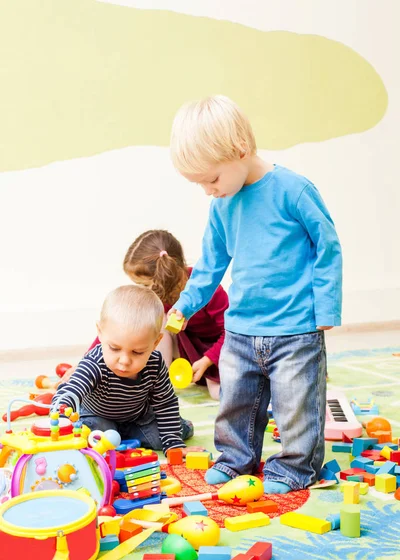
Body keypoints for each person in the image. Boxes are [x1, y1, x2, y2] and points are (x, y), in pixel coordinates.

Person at [168, 95, 343, 493]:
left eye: (211, 180)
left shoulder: (293, 191)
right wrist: (184, 306)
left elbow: (327, 246)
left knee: (296, 406)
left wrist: (327, 304)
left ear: (240, 151)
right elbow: (211, 264)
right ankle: (234, 460)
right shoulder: (222, 205)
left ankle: (295, 468)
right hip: (242, 328)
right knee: (236, 403)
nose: (208, 191)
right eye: (200, 184)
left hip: (295, 327)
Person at [52, 285, 203, 455]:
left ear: (155, 343)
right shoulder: (94, 363)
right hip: (97, 416)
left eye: (137, 352)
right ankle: (119, 436)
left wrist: (174, 444)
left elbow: (165, 403)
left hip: (137, 418)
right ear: (100, 333)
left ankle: (175, 429)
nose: (124, 361)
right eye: (115, 348)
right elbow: (72, 391)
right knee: (97, 435)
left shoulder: (155, 363)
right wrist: (61, 417)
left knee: (165, 437)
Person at [122, 230, 228, 400]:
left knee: (218, 394)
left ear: (162, 278)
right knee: (158, 317)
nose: (141, 290)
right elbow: (120, 323)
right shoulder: (158, 294)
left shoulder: (208, 288)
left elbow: (232, 333)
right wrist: (87, 361)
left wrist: (208, 360)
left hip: (219, 348)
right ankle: (159, 381)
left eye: (144, 285)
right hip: (187, 347)